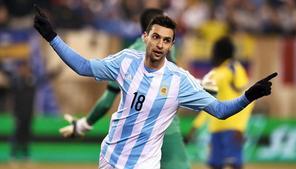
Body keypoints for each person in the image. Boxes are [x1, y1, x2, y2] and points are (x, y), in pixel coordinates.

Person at [33, 5, 277, 169]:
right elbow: (84, 67)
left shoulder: (179, 80)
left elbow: (220, 110)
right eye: (156, 37)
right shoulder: (126, 61)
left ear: (171, 46)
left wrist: (248, 97)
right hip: (109, 158)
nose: (160, 44)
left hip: (145, 164)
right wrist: (52, 37)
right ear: (145, 37)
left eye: (167, 40)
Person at [59, 8, 190, 169]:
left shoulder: (130, 56)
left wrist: (82, 125)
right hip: (169, 131)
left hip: (135, 140)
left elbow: (107, 101)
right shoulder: (168, 49)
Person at [186, 36, 254, 169]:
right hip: (215, 129)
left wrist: (241, 127)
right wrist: (194, 128)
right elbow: (207, 105)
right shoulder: (212, 74)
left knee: (233, 165)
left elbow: (248, 99)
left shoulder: (234, 68)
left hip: (233, 129)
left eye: (214, 51)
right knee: (215, 165)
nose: (211, 54)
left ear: (220, 52)